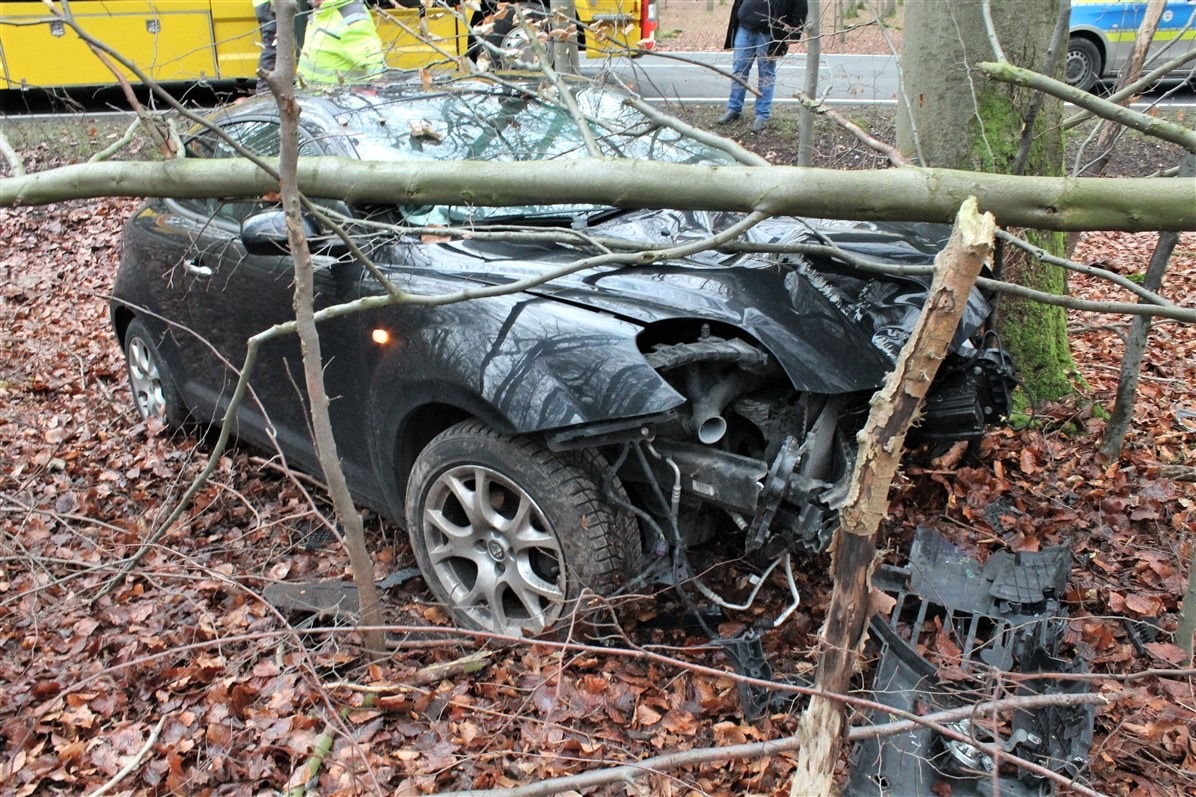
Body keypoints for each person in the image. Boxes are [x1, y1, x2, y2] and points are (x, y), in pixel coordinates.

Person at [717, 0, 808, 132]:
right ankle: (734, 108)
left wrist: (794, 31)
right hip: (744, 27)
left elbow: (800, 5)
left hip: (769, 34)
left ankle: (762, 114)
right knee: (739, 71)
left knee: (766, 75)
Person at [297, 0, 387, 85]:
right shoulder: (322, 12)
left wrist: (377, 88)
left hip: (338, 97)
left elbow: (375, 65)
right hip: (312, 97)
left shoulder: (353, 19)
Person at [253, 0, 311, 93]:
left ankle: (267, 89)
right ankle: (264, 90)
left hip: (271, 4)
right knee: (274, 46)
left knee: (273, 46)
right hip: (274, 5)